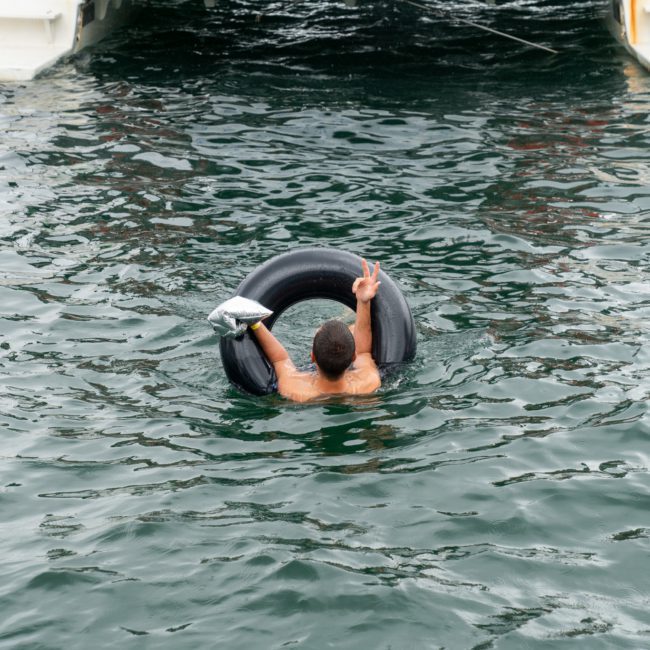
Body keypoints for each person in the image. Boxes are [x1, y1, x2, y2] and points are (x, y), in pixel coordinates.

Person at [248, 258, 382, 402]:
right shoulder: (368, 382)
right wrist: (363, 301)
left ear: (312, 357)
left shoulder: (294, 389)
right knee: (352, 328)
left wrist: (254, 323)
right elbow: (364, 351)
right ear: (353, 357)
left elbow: (280, 359)